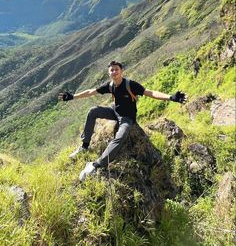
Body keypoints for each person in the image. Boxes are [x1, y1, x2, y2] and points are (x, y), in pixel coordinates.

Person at [58, 60, 186, 181]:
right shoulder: (110, 85)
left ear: (121, 71)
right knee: (93, 111)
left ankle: (96, 164)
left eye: (116, 69)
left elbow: (150, 93)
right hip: (115, 112)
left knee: (120, 137)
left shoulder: (130, 85)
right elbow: (92, 91)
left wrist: (171, 97)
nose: (114, 72)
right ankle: (85, 146)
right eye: (111, 70)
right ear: (109, 73)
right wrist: (73, 97)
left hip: (127, 118)